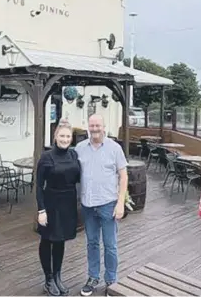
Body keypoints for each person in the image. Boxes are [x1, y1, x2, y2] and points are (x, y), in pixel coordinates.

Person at [75, 114, 128, 296]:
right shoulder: (80, 148)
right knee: (92, 243)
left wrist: (120, 203)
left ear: (104, 127)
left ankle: (111, 280)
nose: (95, 128)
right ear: (88, 127)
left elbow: (123, 176)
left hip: (108, 204)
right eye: (92, 125)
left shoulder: (115, 148)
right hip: (88, 206)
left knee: (110, 245)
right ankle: (93, 277)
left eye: (98, 125)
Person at [36, 118, 81, 296]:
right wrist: (41, 210)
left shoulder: (73, 155)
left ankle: (57, 276)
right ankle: (48, 279)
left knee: (60, 240)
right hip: (51, 202)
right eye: (61, 136)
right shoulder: (46, 157)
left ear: (71, 138)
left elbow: (79, 178)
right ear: (55, 136)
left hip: (68, 202)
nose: (64, 139)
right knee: (47, 239)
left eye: (68, 136)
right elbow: (39, 185)